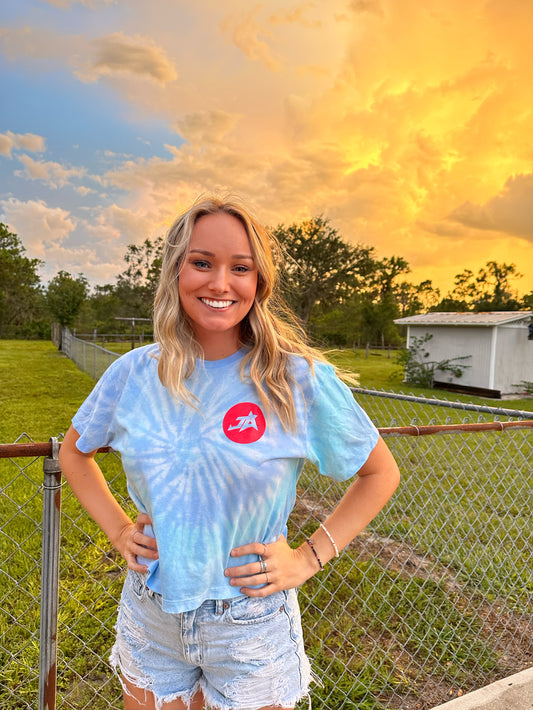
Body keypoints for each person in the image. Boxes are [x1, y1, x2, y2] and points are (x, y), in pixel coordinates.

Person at [59, 195, 400, 710]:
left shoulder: (294, 379)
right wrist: (117, 529)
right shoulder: (133, 373)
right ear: (176, 271)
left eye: (240, 268)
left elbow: (379, 473)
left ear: (258, 283)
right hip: (152, 611)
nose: (220, 283)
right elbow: (74, 454)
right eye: (202, 263)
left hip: (252, 619)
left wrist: (308, 558)